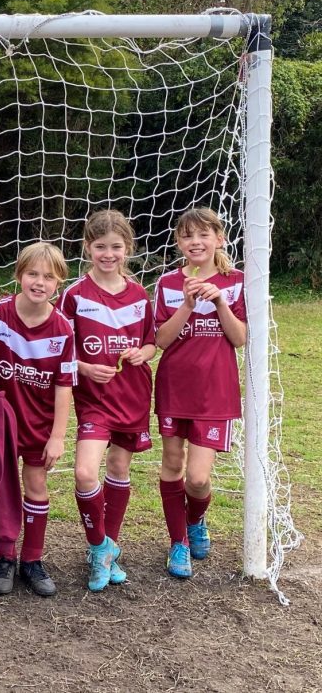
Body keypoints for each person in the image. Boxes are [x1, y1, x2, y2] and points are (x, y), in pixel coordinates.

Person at [57, 210, 156, 592]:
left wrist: (142, 353)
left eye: (116, 247)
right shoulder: (74, 295)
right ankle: (99, 545)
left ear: (127, 248)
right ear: (88, 248)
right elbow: (59, 348)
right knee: (85, 472)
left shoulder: (139, 295)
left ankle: (106, 552)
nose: (108, 254)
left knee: (118, 466)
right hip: (94, 400)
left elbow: (150, 342)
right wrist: (84, 366)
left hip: (132, 394)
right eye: (100, 247)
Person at [154, 207, 246, 579]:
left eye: (204, 234)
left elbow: (239, 338)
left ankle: (195, 520)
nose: (196, 242)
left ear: (218, 239)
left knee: (197, 478)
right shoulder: (167, 283)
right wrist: (188, 306)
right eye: (187, 235)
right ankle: (178, 542)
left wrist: (220, 301)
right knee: (172, 463)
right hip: (174, 387)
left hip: (215, 393)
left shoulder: (236, 281)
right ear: (179, 242)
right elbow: (161, 340)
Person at [0, 242, 75, 597]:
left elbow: (64, 386)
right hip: (2, 424)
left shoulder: (63, 328)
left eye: (48, 277)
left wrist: (58, 436)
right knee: (2, 488)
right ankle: (5, 557)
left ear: (58, 283)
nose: (39, 282)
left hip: (40, 423)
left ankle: (32, 559)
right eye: (33, 274)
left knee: (36, 483)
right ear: (19, 275)